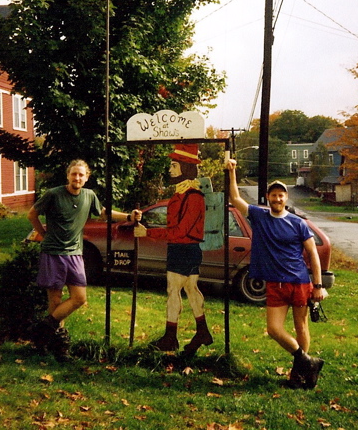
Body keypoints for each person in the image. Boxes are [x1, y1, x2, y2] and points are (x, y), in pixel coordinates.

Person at [27, 159, 141, 360]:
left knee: (79, 298)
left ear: (86, 178)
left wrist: (129, 217)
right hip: (53, 253)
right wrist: (42, 234)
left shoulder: (89, 196)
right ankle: (59, 347)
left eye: (81, 175)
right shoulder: (53, 194)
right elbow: (32, 214)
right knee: (55, 300)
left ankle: (42, 330)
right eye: (74, 174)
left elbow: (104, 213)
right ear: (68, 175)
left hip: (75, 254)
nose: (77, 178)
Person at [225, 158, 325, 389]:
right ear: (268, 198)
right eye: (273, 195)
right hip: (275, 284)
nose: (277, 198)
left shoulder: (298, 223)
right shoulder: (259, 216)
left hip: (299, 282)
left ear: (286, 198)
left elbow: (313, 254)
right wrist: (232, 172)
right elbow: (235, 199)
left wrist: (318, 286)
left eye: (281, 195)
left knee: (301, 327)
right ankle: (308, 362)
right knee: (273, 329)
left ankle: (300, 375)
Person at [134, 144, 213, 355]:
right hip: (182, 248)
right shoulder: (181, 194)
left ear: (185, 168)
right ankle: (202, 331)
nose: (170, 169)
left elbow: (180, 231)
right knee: (190, 290)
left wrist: (148, 233)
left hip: (184, 249)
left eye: (174, 165)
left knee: (174, 291)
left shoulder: (193, 197)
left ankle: (171, 337)